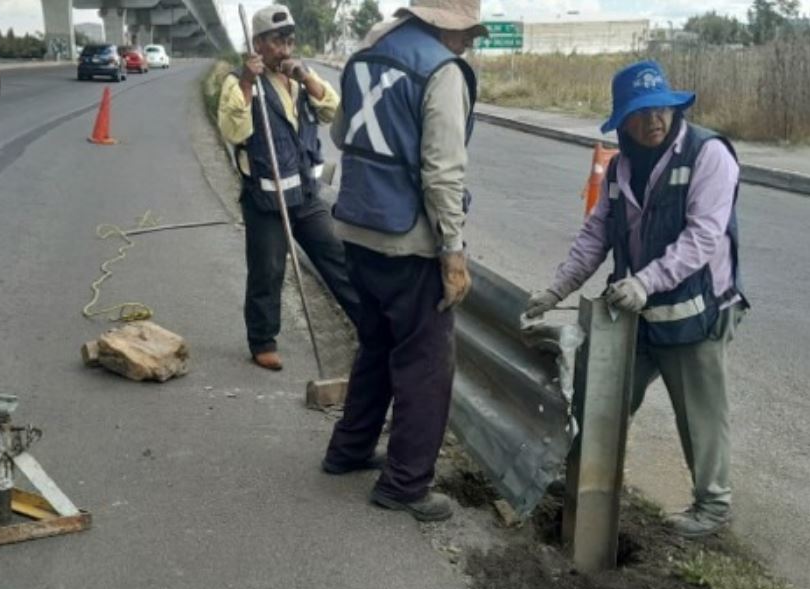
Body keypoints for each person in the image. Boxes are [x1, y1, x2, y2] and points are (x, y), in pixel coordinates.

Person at [525, 60, 748, 538]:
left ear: (673, 107)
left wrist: (646, 281)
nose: (654, 122)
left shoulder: (708, 155)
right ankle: (586, 489)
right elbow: (596, 234)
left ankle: (712, 508)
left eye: (661, 110)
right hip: (635, 311)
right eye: (641, 113)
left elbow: (702, 237)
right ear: (623, 120)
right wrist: (556, 288)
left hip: (696, 312)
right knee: (600, 397)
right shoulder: (620, 166)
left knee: (700, 414)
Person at [320, 0, 486, 522]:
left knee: (375, 346)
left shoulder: (365, 56)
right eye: (465, 33)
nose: (469, 43)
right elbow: (442, 173)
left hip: (355, 228)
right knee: (425, 365)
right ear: (442, 25)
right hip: (407, 241)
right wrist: (452, 254)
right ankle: (406, 484)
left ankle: (347, 451)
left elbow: (340, 133)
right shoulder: (441, 71)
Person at [217, 5, 359, 371]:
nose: (285, 49)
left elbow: (333, 111)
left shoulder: (300, 80)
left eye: (290, 41)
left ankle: (370, 328)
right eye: (278, 42)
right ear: (259, 45)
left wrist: (307, 78)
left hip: (307, 197)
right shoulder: (239, 82)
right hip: (267, 197)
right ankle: (262, 340)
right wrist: (249, 82)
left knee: (337, 257)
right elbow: (234, 131)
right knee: (267, 270)